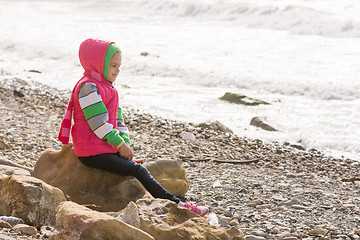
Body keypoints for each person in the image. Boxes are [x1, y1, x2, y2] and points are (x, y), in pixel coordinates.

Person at [57, 38, 208, 217]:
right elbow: (98, 123)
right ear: (98, 63)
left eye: (119, 66)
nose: (117, 70)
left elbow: (118, 121)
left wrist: (124, 144)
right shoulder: (88, 87)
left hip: (101, 147)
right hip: (90, 152)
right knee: (138, 170)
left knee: (132, 165)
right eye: (113, 65)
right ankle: (178, 204)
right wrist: (119, 145)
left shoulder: (107, 87)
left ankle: (160, 192)